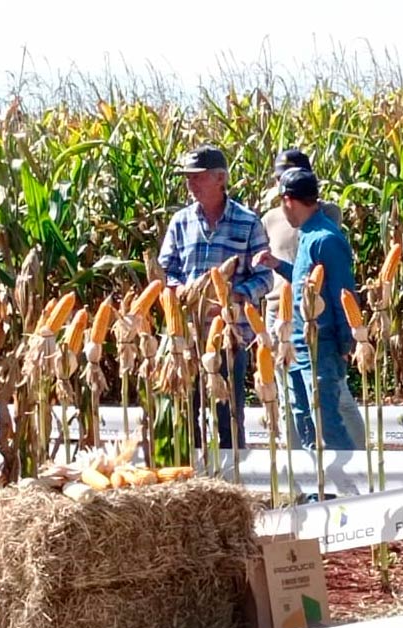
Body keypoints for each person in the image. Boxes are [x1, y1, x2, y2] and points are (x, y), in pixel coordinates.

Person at [157, 144, 274, 450]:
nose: (190, 184)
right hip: (188, 336)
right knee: (187, 409)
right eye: (188, 178)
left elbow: (265, 276)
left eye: (198, 177)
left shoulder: (248, 222)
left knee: (229, 412)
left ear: (220, 179)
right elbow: (165, 270)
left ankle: (234, 476)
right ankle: (194, 478)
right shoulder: (180, 222)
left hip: (230, 336)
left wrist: (236, 295)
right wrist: (179, 291)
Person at [254, 168, 366, 452]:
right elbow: (310, 287)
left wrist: (344, 345)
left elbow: (343, 294)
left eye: (281, 203)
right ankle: (317, 493)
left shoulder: (325, 239)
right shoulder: (307, 235)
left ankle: (347, 491)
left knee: (327, 424)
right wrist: (277, 265)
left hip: (321, 348)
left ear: (289, 200)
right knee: (305, 421)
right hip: (298, 346)